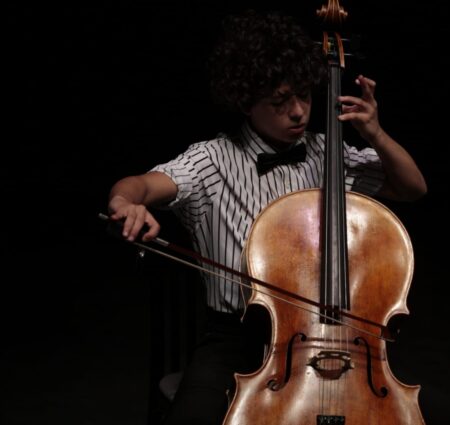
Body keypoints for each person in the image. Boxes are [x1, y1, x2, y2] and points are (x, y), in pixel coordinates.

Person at [107, 9, 427, 425]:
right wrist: (126, 202)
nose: (298, 112)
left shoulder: (326, 152)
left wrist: (376, 134)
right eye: (280, 102)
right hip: (234, 339)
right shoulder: (211, 161)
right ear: (246, 101)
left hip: (326, 336)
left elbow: (412, 188)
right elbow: (139, 185)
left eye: (305, 96)